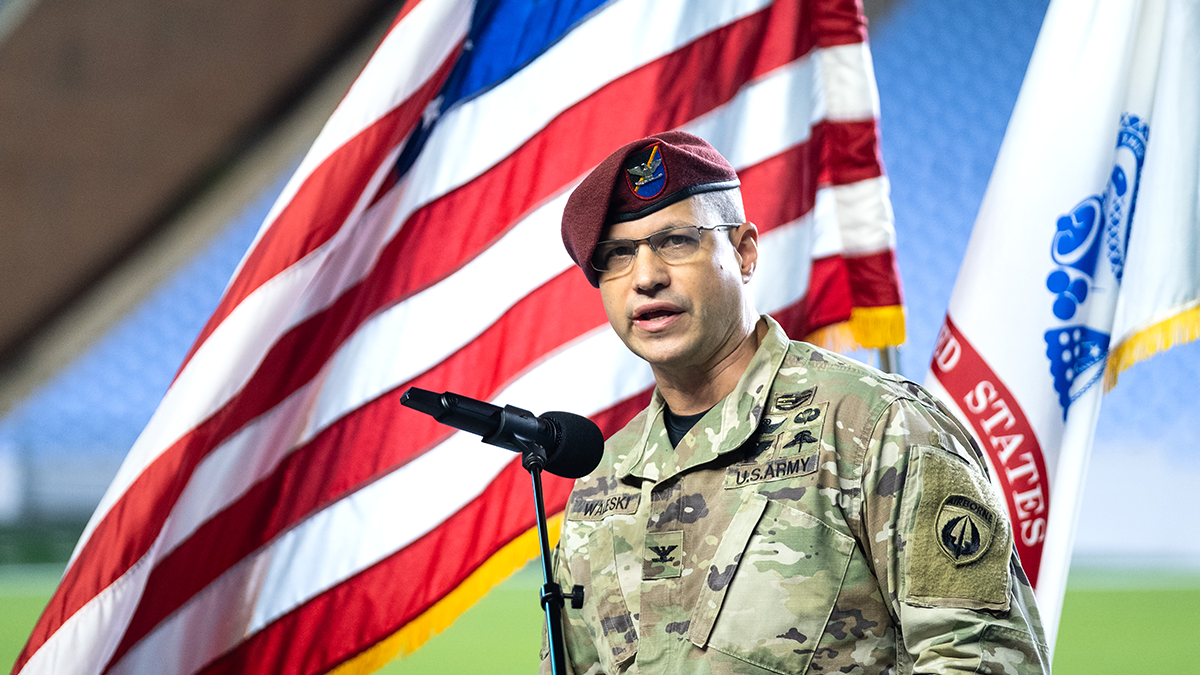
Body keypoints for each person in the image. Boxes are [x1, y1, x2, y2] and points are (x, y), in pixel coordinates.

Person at [541, 131, 1050, 674]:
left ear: (743, 252)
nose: (645, 277)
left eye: (675, 241)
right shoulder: (601, 481)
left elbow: (982, 660)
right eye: (617, 255)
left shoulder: (876, 428)